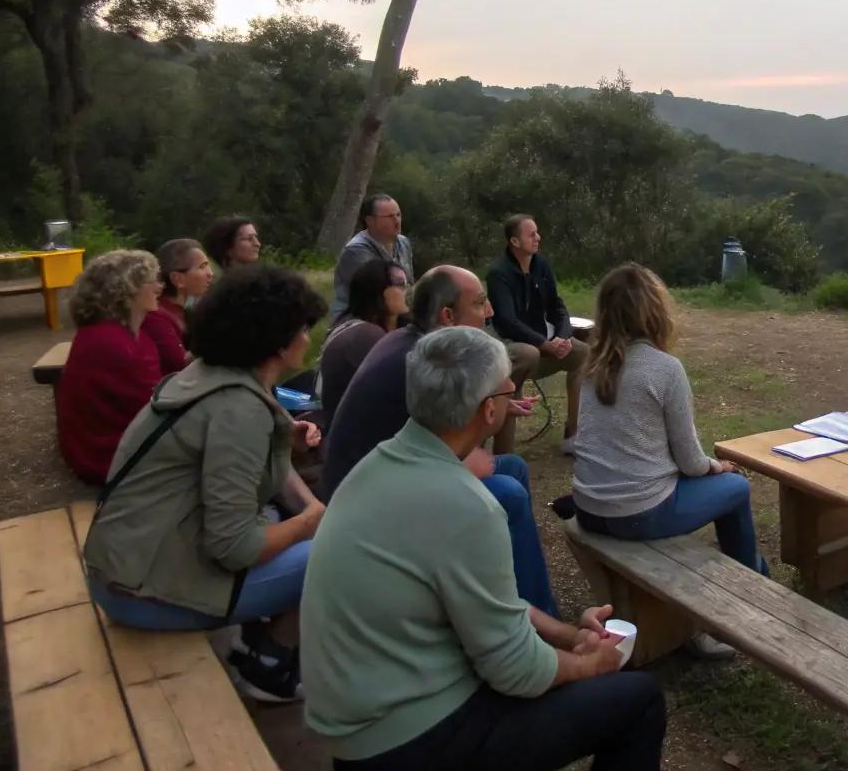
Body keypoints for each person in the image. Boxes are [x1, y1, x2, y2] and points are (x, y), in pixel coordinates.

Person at [301, 326, 667, 771]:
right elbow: (517, 671)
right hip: (406, 742)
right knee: (639, 700)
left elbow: (485, 603)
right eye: (509, 388)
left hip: (359, 727)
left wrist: (571, 637)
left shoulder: (378, 465)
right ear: (490, 410)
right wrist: (590, 665)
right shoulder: (466, 505)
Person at [82, 264, 329, 703]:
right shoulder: (240, 409)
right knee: (333, 553)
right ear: (275, 339)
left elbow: (252, 475)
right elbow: (234, 546)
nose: (308, 339)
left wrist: (307, 497)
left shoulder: (207, 377)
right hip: (145, 594)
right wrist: (314, 523)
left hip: (125, 565)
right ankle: (265, 663)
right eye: (303, 329)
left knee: (288, 519)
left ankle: (247, 633)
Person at [321, 265, 556, 615]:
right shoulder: (416, 364)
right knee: (508, 492)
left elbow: (430, 435)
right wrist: (460, 466)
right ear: (448, 315)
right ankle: (533, 619)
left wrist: (500, 404)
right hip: (369, 509)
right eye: (479, 303)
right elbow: (426, 458)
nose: (489, 311)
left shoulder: (417, 346)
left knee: (514, 468)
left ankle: (500, 586)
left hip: (394, 481)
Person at [572, 263, 766, 660]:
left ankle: (751, 580)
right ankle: (753, 590)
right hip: (638, 513)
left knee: (711, 486)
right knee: (736, 488)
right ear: (655, 311)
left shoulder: (591, 366)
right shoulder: (664, 368)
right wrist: (719, 467)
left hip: (589, 506)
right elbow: (692, 462)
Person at [56, 250, 164, 482]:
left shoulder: (125, 334)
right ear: (127, 291)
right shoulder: (110, 342)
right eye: (152, 281)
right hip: (108, 458)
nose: (160, 287)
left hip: (118, 447)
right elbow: (152, 407)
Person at [486, 214, 587, 455]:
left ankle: (573, 436)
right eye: (531, 234)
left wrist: (561, 338)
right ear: (515, 241)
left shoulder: (540, 265)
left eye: (537, 232)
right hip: (512, 347)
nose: (538, 238)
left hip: (543, 344)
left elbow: (557, 306)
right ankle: (504, 454)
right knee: (528, 353)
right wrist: (544, 344)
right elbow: (508, 321)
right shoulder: (498, 273)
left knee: (584, 354)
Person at [316, 259, 409, 424]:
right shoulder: (365, 336)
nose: (407, 290)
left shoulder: (355, 324)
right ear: (377, 288)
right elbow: (401, 393)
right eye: (400, 284)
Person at [329, 194, 413, 325]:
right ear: (370, 221)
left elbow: (408, 284)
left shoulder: (403, 243)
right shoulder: (356, 251)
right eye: (390, 217)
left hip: (391, 315)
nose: (397, 221)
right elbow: (379, 292)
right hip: (356, 321)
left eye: (398, 215)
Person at [141, 238, 213, 375]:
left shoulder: (182, 310)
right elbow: (180, 366)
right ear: (177, 279)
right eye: (202, 267)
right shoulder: (157, 317)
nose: (210, 273)